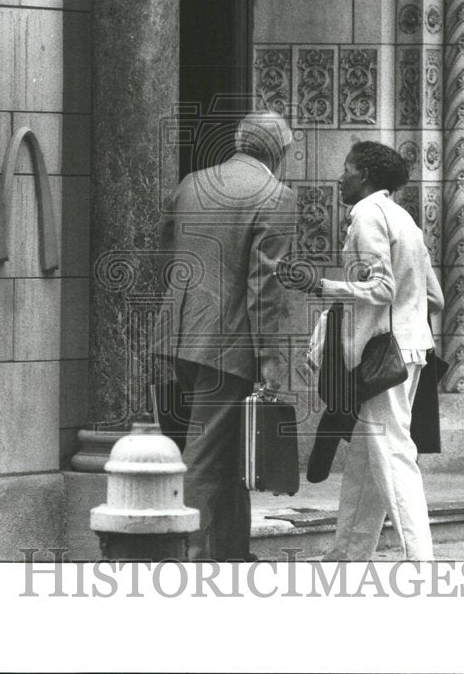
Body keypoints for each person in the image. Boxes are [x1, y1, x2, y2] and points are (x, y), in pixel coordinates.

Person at [156, 111, 296, 561]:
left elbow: (164, 248)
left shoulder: (192, 182)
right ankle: (188, 557)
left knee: (229, 450)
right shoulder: (276, 195)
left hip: (180, 332)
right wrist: (271, 359)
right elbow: (265, 285)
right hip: (227, 343)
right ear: (276, 152)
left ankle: (233, 552)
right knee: (205, 455)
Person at [303, 140, 444, 561]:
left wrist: (326, 287)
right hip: (408, 353)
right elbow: (433, 297)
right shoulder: (405, 220)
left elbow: (382, 289)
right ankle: (348, 553)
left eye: (346, 168)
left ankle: (422, 562)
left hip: (381, 357)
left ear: (363, 175)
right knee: (368, 457)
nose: (340, 177)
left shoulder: (366, 215)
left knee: (393, 455)